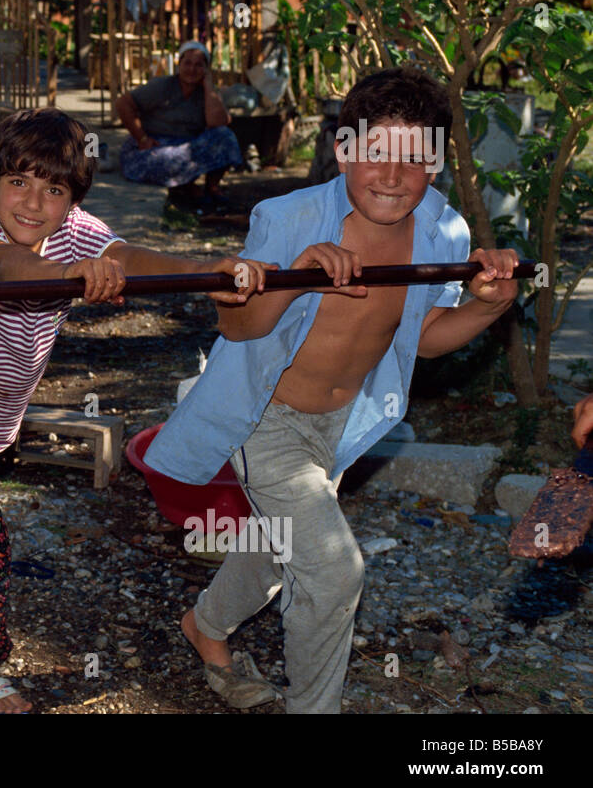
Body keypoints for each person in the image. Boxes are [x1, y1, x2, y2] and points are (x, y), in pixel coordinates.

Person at [143, 66, 520, 713]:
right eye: (375, 152)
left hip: (343, 427)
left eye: (413, 159)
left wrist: (488, 307)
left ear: (437, 164)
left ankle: (204, 626)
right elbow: (238, 324)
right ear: (344, 149)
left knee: (271, 552)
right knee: (334, 570)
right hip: (267, 418)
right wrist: (299, 276)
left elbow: (423, 336)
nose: (393, 176)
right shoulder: (289, 217)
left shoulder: (442, 233)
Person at [0, 107, 271, 714]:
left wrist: (202, 272)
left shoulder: (76, 232)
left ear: (73, 199)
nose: (32, 203)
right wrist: (67, 275)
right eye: (18, 183)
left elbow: (129, 256)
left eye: (53, 189)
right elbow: (5, 264)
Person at [116, 40, 244, 213]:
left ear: (206, 69)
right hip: (156, 146)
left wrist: (208, 86)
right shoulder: (162, 86)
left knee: (225, 137)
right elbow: (123, 103)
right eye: (187, 63)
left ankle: (212, 187)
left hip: (187, 146)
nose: (192, 69)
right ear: (179, 64)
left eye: (199, 65)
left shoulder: (207, 92)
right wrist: (142, 138)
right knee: (168, 159)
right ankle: (188, 187)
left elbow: (218, 123)